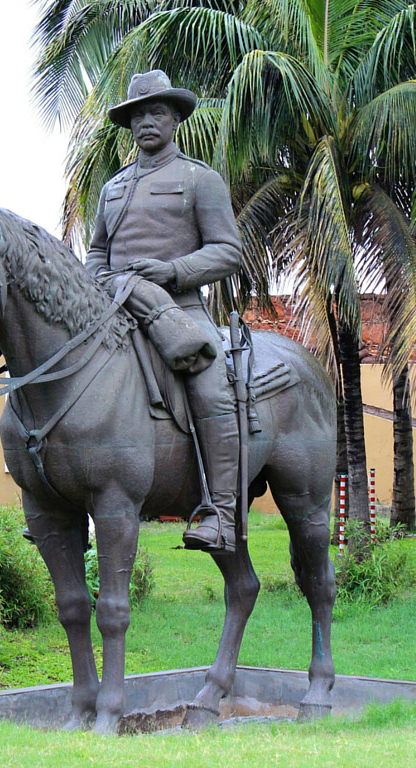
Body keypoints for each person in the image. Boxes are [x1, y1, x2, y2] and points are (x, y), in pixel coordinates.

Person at [85, 70, 243, 553]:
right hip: (116, 311)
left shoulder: (199, 178)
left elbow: (227, 252)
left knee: (211, 387)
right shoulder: (113, 188)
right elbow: (96, 253)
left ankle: (220, 512)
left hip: (181, 311)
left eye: (156, 113)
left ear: (175, 119)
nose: (146, 122)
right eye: (138, 116)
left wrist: (172, 271)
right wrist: (98, 282)